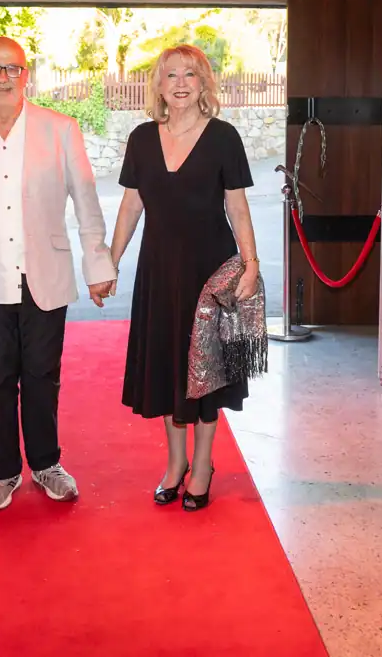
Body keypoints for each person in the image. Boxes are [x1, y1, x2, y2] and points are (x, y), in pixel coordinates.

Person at [0, 36, 117, 512]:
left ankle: (47, 463)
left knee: (41, 375)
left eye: (12, 68)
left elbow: (86, 202)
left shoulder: (60, 129)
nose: (3, 77)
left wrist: (97, 263)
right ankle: (3, 471)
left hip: (43, 274)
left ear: (25, 75)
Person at [109, 44, 260, 512]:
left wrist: (251, 264)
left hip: (210, 271)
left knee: (207, 371)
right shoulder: (141, 139)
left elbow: (237, 207)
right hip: (158, 272)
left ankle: (203, 466)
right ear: (158, 84)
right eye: (170, 74)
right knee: (169, 366)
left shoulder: (224, 137)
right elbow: (131, 206)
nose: (179, 83)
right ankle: (175, 464)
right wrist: (110, 260)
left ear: (204, 84)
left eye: (189, 75)